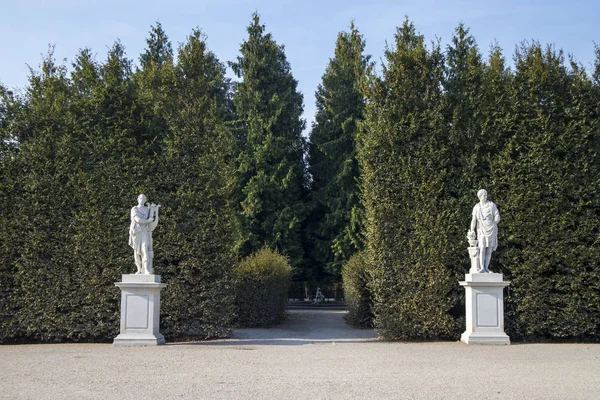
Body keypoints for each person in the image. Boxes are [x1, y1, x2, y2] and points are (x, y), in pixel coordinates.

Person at [469, 189, 500, 273]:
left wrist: (496, 219)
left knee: (489, 249)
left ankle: (486, 267)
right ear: (479, 196)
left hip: (491, 228)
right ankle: (482, 267)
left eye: (486, 195)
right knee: (482, 248)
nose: (485, 196)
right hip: (482, 230)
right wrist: (472, 230)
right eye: (484, 195)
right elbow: (474, 220)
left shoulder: (491, 205)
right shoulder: (476, 207)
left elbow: (497, 215)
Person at [129, 194, 160, 274]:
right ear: (138, 199)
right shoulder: (134, 209)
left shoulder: (147, 209)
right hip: (136, 232)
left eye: (143, 198)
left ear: (145, 200)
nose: (142, 199)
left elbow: (151, 218)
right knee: (136, 252)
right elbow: (138, 219)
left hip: (144, 232)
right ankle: (139, 269)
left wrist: (153, 210)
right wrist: (148, 221)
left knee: (144, 249)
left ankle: (146, 269)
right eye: (140, 198)